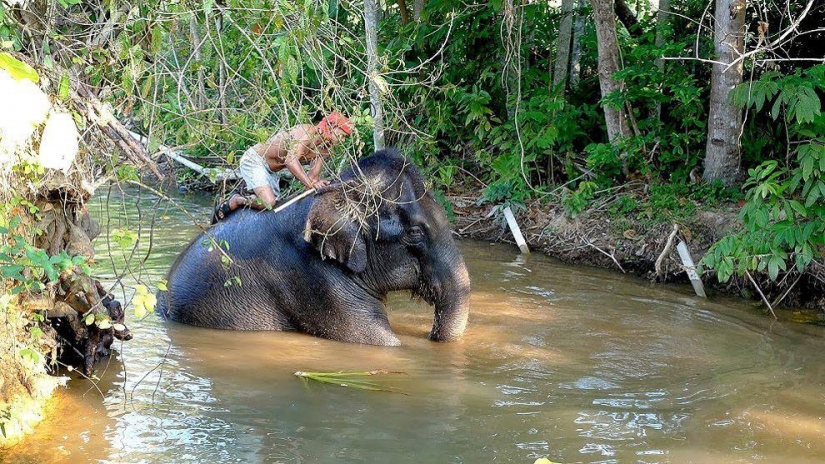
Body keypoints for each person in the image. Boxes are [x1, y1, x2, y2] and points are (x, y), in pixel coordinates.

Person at [213, 112, 354, 221]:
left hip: (272, 171)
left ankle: (252, 196)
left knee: (273, 209)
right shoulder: (307, 132)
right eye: (341, 135)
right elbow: (290, 161)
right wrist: (311, 184)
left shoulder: (325, 149)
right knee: (268, 202)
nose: (342, 140)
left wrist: (318, 185)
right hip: (255, 160)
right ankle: (237, 200)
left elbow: (312, 178)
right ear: (332, 126)